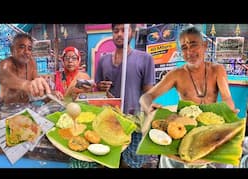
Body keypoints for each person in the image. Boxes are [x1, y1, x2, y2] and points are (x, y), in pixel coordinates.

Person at [139, 26, 239, 168]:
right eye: (184, 47)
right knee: (168, 162)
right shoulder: (176, 74)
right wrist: (148, 106)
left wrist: (229, 111)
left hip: (211, 130)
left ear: (205, 46)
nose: (189, 51)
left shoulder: (218, 70)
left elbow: (227, 98)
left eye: (193, 45)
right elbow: (146, 97)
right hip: (184, 132)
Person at [95, 24, 156, 168]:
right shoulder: (103, 61)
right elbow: (97, 88)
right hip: (109, 121)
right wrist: (101, 88)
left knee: (130, 164)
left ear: (133, 33)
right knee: (108, 161)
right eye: (116, 31)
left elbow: (149, 93)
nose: (119, 34)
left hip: (134, 124)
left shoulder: (145, 59)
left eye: (124, 30)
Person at [54, 46, 98, 168]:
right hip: (61, 120)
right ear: (62, 61)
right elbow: (49, 99)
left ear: (79, 60)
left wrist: (87, 92)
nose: (70, 61)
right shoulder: (56, 76)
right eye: (67, 58)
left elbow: (91, 101)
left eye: (74, 58)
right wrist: (53, 93)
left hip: (80, 120)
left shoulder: (84, 77)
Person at [0, 33, 51, 104]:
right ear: (12, 49)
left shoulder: (31, 62)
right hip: (7, 110)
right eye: (22, 47)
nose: (26, 52)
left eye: (29, 48)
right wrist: (26, 85)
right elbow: (4, 77)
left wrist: (50, 94)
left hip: (26, 107)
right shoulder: (6, 63)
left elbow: (37, 88)